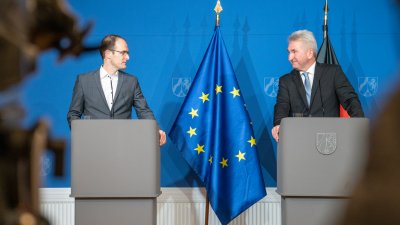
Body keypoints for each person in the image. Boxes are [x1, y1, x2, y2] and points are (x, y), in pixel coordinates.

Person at [67, 34, 166, 145]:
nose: (127, 57)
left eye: (127, 53)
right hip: (93, 148)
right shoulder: (84, 81)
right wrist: (83, 136)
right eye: (123, 53)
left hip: (123, 147)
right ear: (108, 54)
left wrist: (155, 129)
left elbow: (144, 111)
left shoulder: (131, 82)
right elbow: (73, 114)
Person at [271, 29, 364, 142]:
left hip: (329, 141)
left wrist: (359, 125)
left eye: (294, 51)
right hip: (299, 141)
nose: (289, 57)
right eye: (289, 52)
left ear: (310, 53)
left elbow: (350, 100)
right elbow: (282, 106)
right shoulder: (286, 81)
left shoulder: (333, 73)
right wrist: (278, 124)